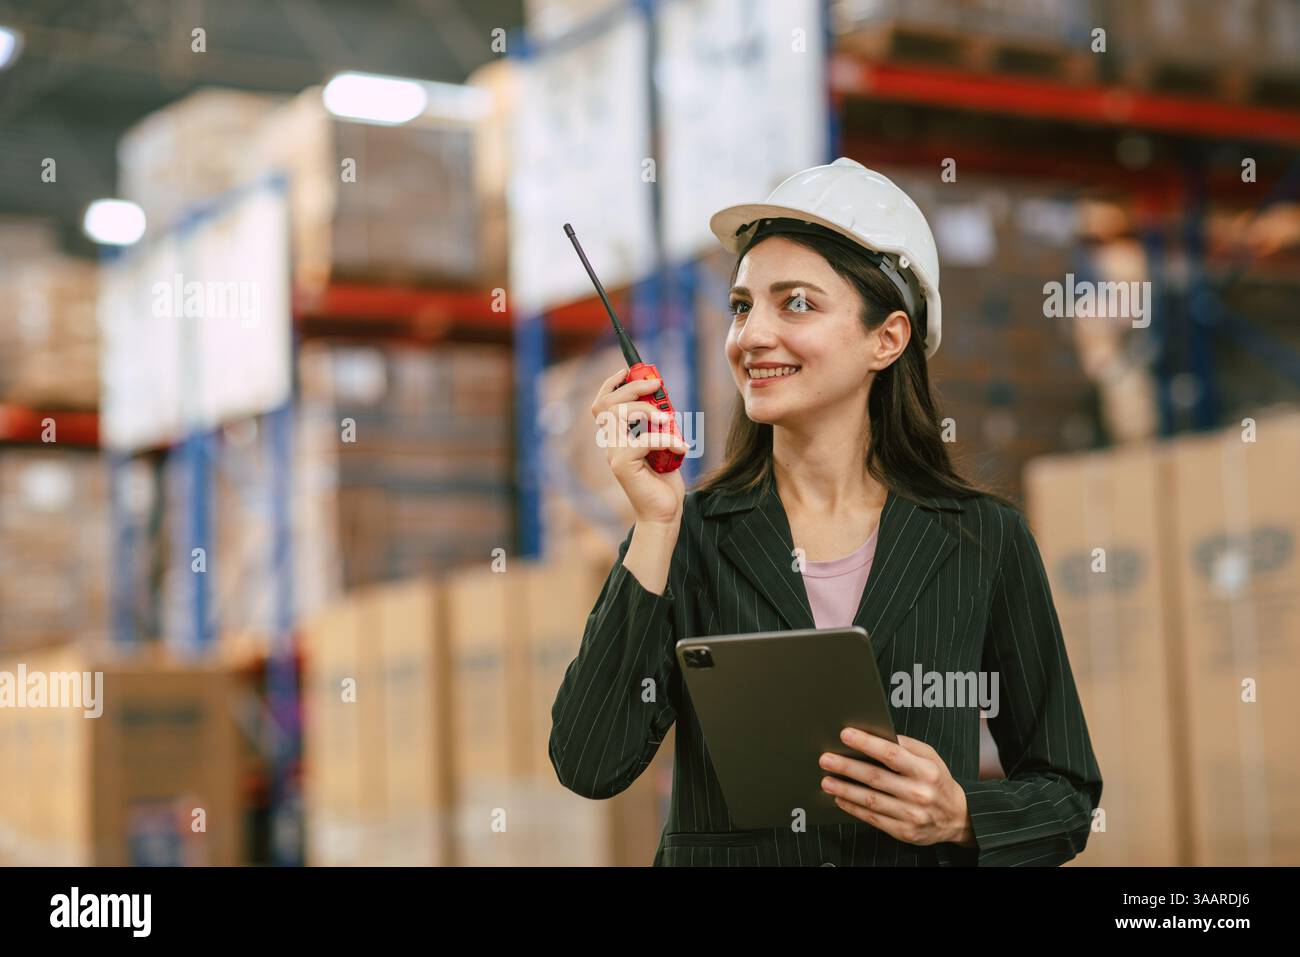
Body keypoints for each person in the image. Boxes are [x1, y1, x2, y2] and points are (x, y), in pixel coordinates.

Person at [549, 157, 1103, 866]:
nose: (751, 336)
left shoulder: (983, 540)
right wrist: (656, 523)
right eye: (743, 305)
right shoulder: (687, 538)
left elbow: (1067, 796)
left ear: (887, 338)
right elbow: (589, 760)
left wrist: (963, 814)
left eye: (797, 303)